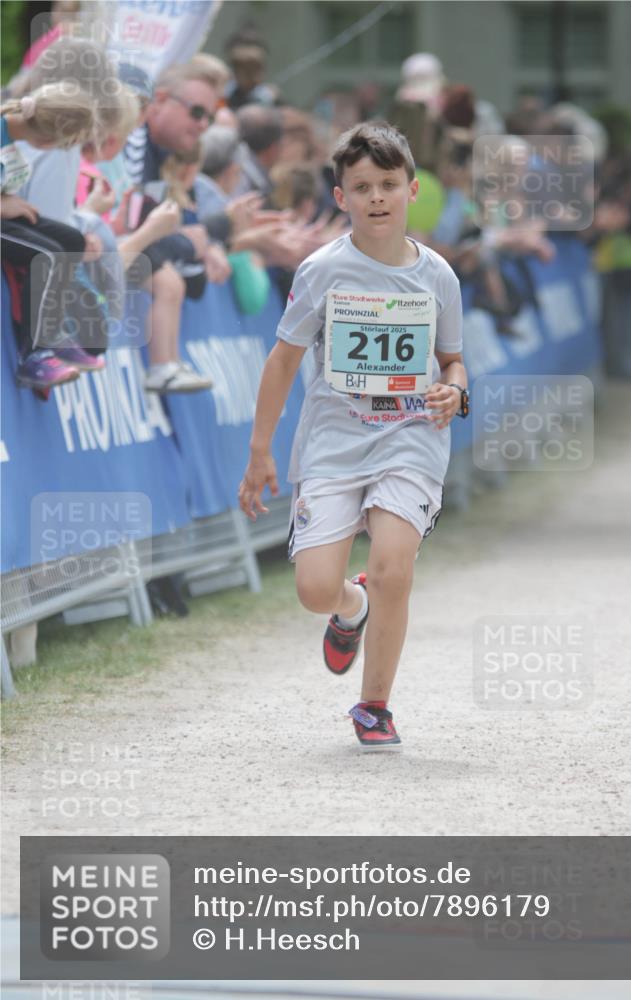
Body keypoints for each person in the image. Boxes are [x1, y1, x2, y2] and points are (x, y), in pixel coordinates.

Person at [238, 122, 467, 750]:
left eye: (388, 185)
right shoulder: (321, 270)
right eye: (361, 186)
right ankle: (349, 607)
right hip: (335, 440)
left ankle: (374, 706)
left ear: (412, 190)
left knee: (394, 566)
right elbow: (282, 360)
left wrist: (456, 389)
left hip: (411, 435)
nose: (376, 198)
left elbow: (452, 360)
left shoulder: (438, 276)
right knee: (315, 589)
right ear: (340, 197)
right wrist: (260, 453)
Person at [1, 83, 97, 391]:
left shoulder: (11, 134)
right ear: (46, 139)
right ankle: (36, 355)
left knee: (71, 242)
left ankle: (53, 330)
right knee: (47, 256)